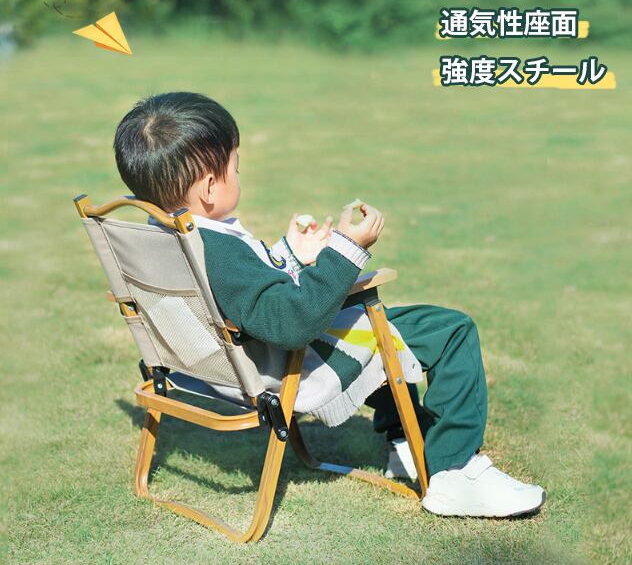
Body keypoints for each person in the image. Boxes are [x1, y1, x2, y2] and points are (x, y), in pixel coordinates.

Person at [113, 91, 546, 518]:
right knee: (448, 331)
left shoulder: (163, 238)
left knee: (382, 330)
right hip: (286, 366)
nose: (239, 175)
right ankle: (456, 472)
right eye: (235, 168)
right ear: (210, 187)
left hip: (218, 369)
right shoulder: (219, 251)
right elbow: (293, 321)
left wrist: (289, 254)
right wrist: (345, 251)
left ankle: (403, 443)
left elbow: (246, 294)